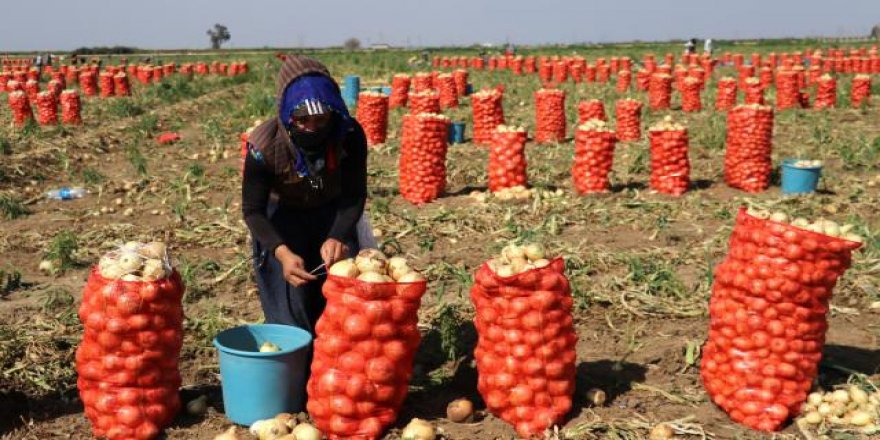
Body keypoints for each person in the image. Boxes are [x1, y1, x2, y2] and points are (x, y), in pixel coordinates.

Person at [242, 54, 369, 334]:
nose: (312, 128)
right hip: (282, 217)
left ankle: (333, 355)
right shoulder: (264, 146)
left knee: (341, 298)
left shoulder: (348, 134)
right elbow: (253, 211)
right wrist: (282, 252)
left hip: (333, 211)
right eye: (302, 120)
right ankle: (297, 353)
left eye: (321, 119)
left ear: (333, 111)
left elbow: (354, 195)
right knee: (290, 301)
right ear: (287, 114)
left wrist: (338, 235)